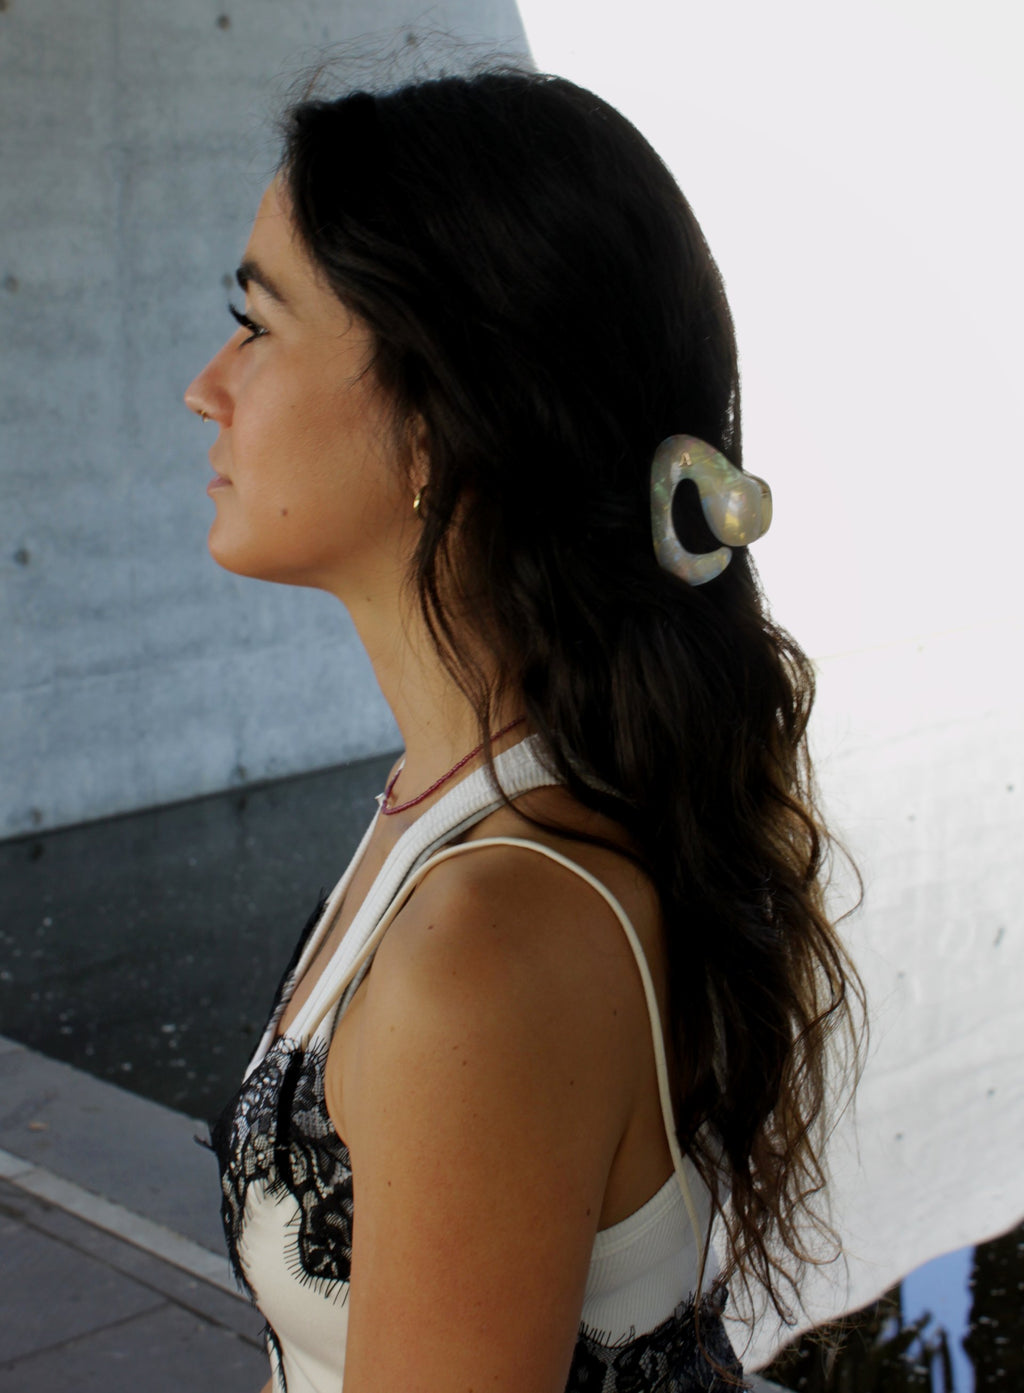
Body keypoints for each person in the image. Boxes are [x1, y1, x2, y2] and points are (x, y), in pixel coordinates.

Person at [184, 65, 862, 1393]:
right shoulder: (470, 796)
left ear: (438, 419)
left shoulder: (491, 946)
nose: (208, 388)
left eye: (255, 325)